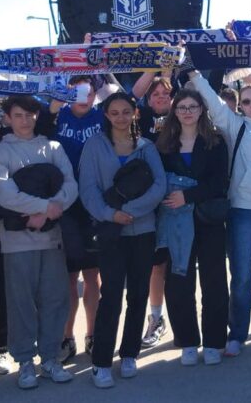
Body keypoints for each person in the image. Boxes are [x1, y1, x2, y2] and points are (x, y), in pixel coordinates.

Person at [188, 68, 251, 357]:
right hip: (242, 211)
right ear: (240, 105)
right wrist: (195, 76)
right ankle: (237, 335)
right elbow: (213, 101)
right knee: (242, 277)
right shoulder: (233, 125)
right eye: (245, 102)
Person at [0, 95, 77, 390]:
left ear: (37, 116)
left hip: (51, 239)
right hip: (16, 242)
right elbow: (5, 194)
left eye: (30, 114)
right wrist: (44, 208)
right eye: (18, 115)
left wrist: (49, 211)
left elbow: (70, 186)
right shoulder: (0, 153)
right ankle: (25, 360)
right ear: (8, 118)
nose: (25, 120)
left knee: (55, 298)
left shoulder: (53, 147)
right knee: (21, 303)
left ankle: (50, 357)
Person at [79, 92, 166, 389]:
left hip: (142, 231)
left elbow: (159, 185)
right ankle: (101, 361)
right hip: (111, 231)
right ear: (106, 115)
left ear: (134, 114)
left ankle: (130, 353)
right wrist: (110, 214)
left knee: (139, 293)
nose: (120, 117)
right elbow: (87, 189)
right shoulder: (94, 146)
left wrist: (128, 211)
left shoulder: (146, 147)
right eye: (114, 112)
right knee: (112, 295)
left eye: (125, 111)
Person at [155, 89, 231, 366]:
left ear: (202, 110)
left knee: (214, 282)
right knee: (178, 283)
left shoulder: (215, 141)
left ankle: (214, 341)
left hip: (207, 219)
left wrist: (187, 194)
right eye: (182, 107)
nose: (187, 111)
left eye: (192, 106)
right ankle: (187, 341)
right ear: (174, 112)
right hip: (175, 221)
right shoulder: (164, 144)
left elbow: (220, 182)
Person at [47, 76, 102, 363]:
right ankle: (66, 337)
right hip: (64, 202)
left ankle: (92, 334)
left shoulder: (102, 115)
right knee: (68, 277)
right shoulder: (58, 114)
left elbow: (134, 97)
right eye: (76, 91)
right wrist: (62, 95)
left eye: (88, 91)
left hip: (93, 203)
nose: (83, 96)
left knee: (93, 275)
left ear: (95, 94)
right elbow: (44, 113)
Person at [131, 74, 174, 350]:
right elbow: (131, 95)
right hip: (149, 200)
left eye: (165, 94)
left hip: (178, 200)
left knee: (180, 265)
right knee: (155, 265)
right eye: (155, 93)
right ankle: (156, 318)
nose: (160, 97)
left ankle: (184, 318)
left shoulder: (184, 113)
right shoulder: (141, 117)